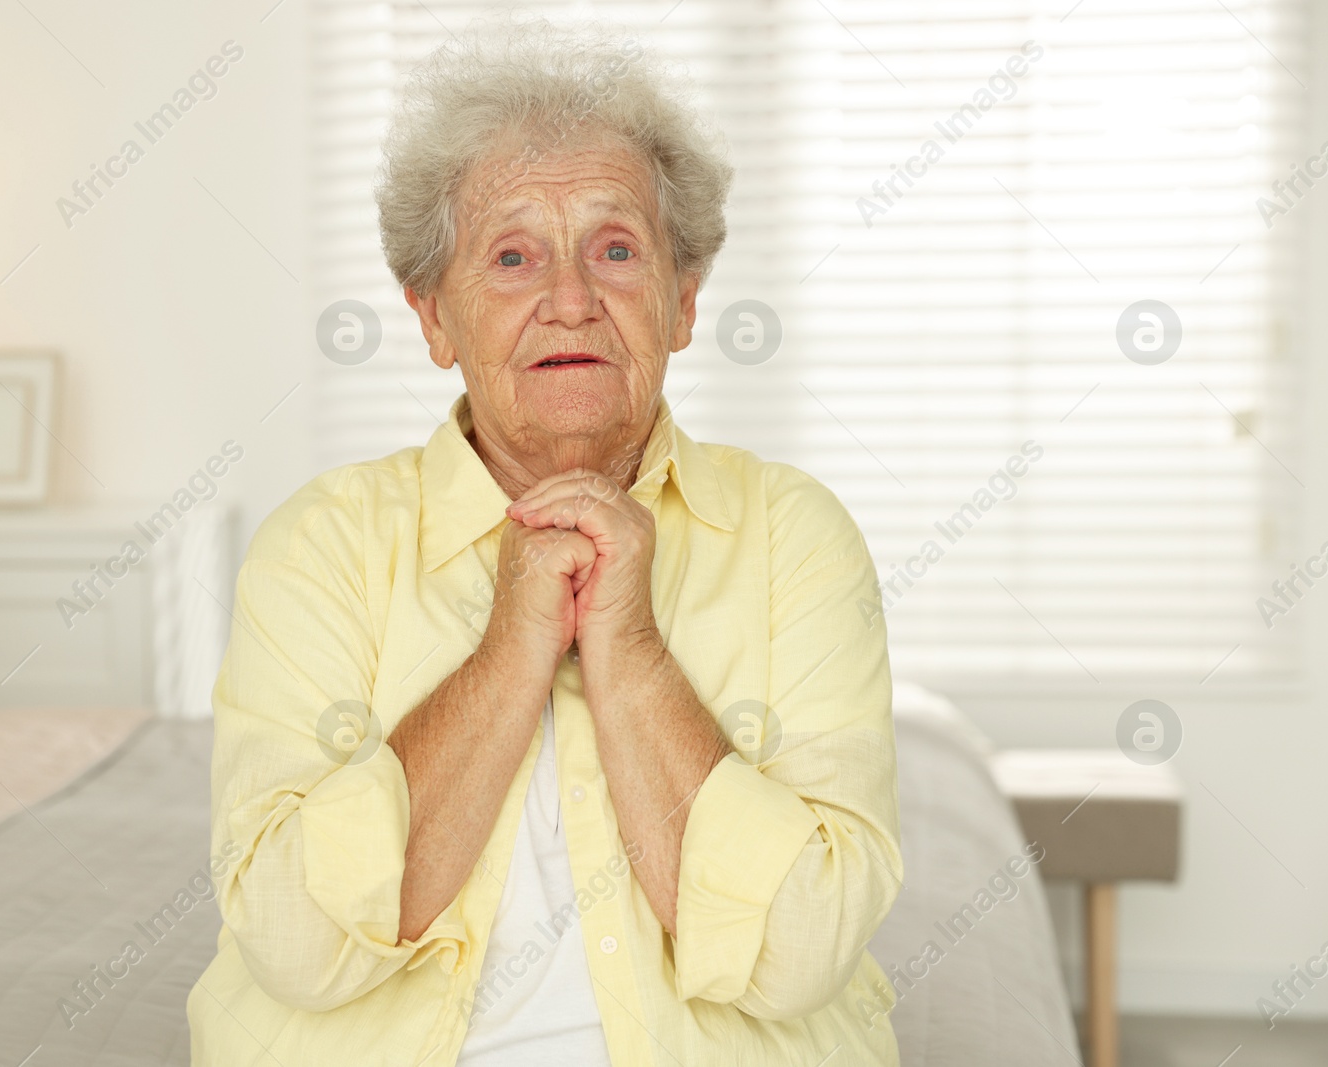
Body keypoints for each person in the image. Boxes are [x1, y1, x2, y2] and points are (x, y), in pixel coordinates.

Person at [189, 21, 903, 1067]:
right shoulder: (320, 545)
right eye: (512, 255)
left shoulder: (795, 534)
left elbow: (802, 953)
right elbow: (295, 944)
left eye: (615, 249)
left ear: (683, 304)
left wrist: (634, 649)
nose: (569, 299)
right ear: (434, 319)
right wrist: (506, 653)